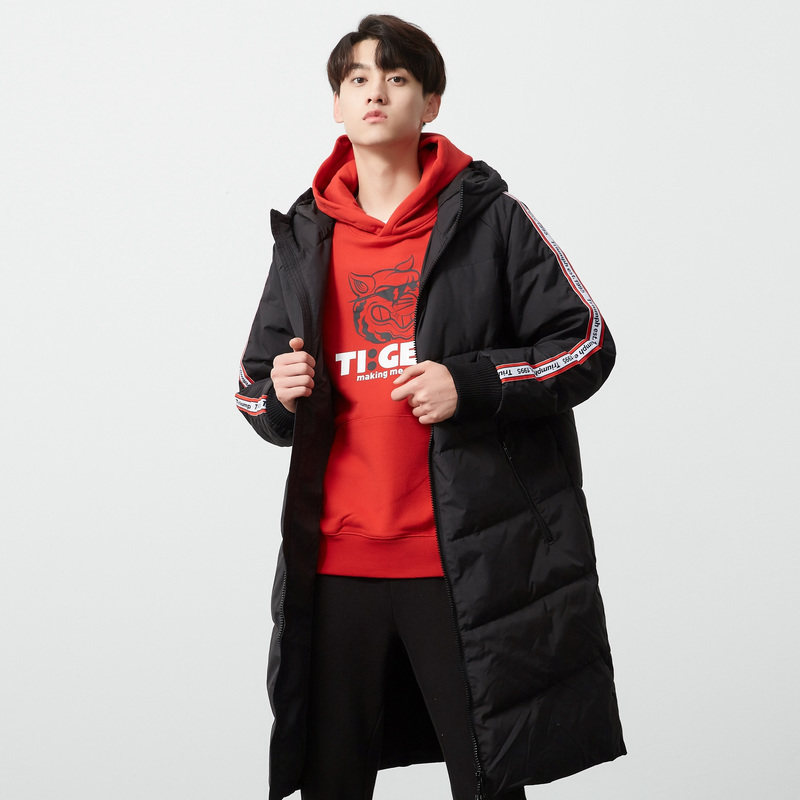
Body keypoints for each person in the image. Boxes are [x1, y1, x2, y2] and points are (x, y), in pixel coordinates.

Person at [236, 14, 626, 800]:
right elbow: (254, 387)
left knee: (487, 783)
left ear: (431, 102)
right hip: (335, 567)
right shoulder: (306, 238)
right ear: (337, 105)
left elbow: (586, 342)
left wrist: (472, 383)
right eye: (357, 79)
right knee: (329, 783)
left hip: (459, 567)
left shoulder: (491, 221)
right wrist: (279, 397)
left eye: (397, 77)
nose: (375, 91)